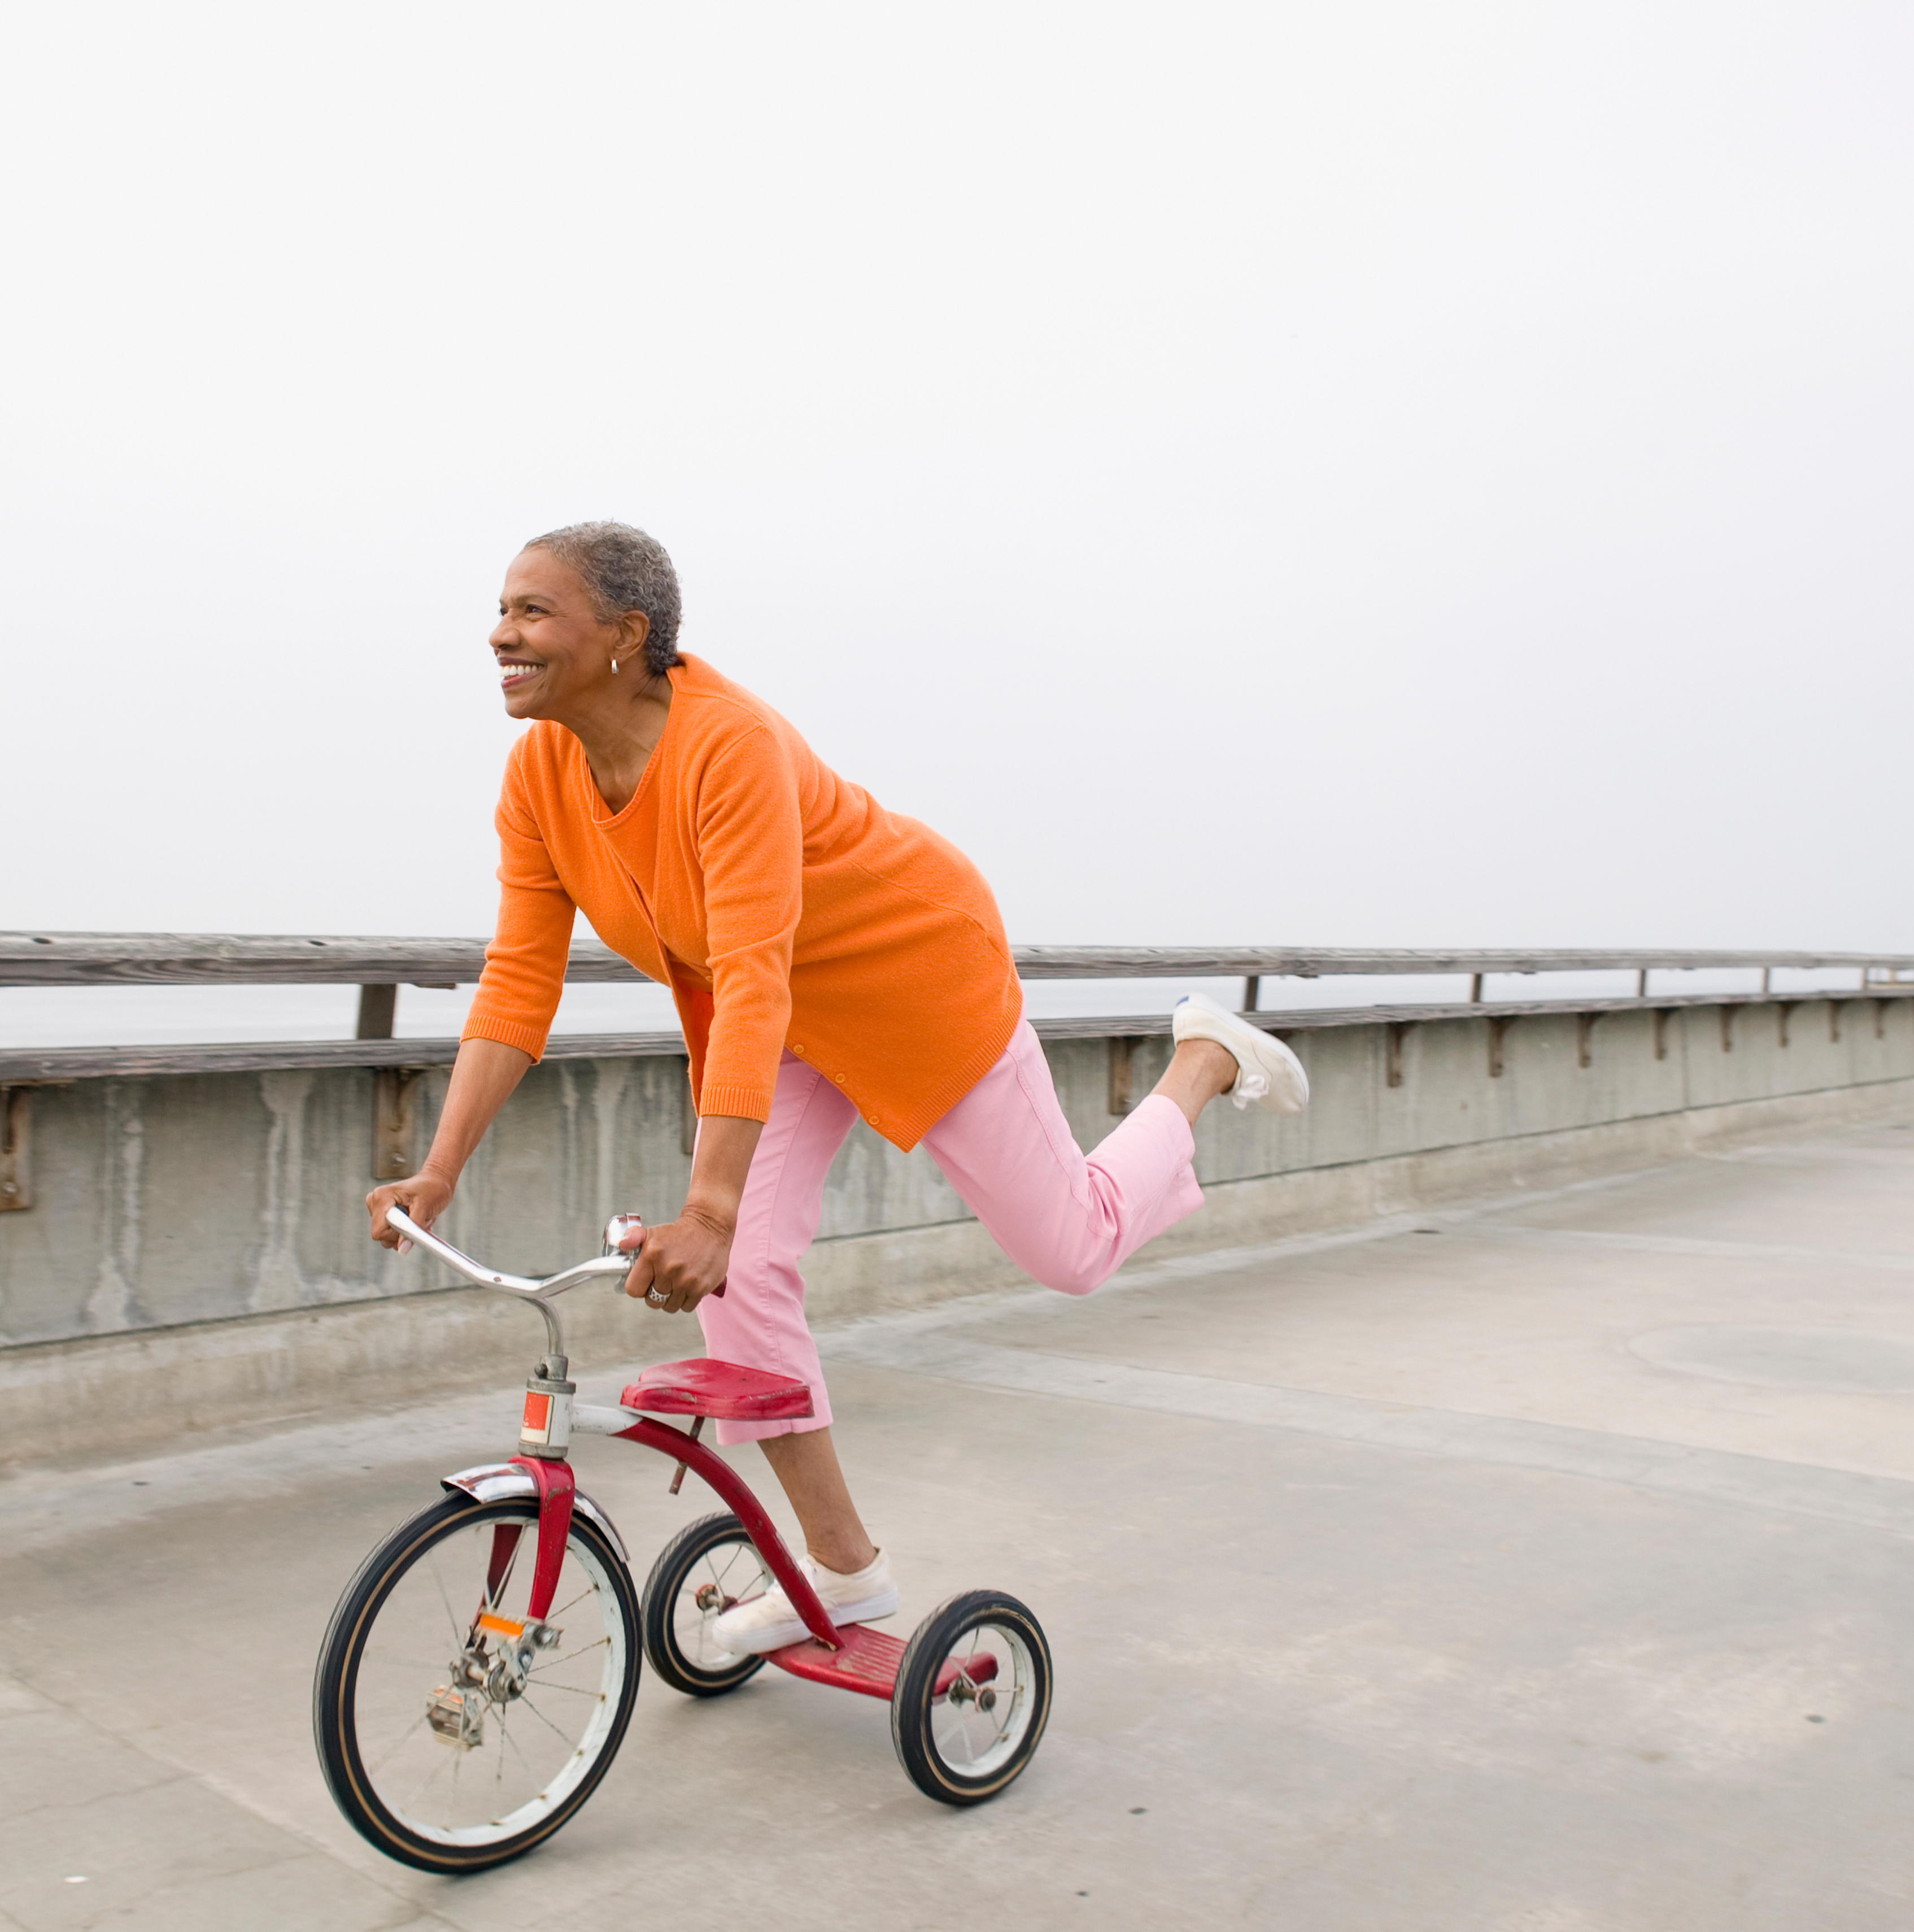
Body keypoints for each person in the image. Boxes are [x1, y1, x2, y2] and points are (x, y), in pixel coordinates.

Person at [367, 522, 1308, 1653]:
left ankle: (1198, 1062)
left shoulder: (728, 748)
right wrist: (439, 1165)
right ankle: (843, 1569)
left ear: (624, 636)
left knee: (1069, 1252)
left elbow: (753, 972)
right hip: (782, 1026)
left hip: (912, 979)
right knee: (740, 1284)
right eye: (501, 607)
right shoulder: (541, 776)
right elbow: (520, 980)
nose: (499, 633)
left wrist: (708, 1207)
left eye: (530, 610)